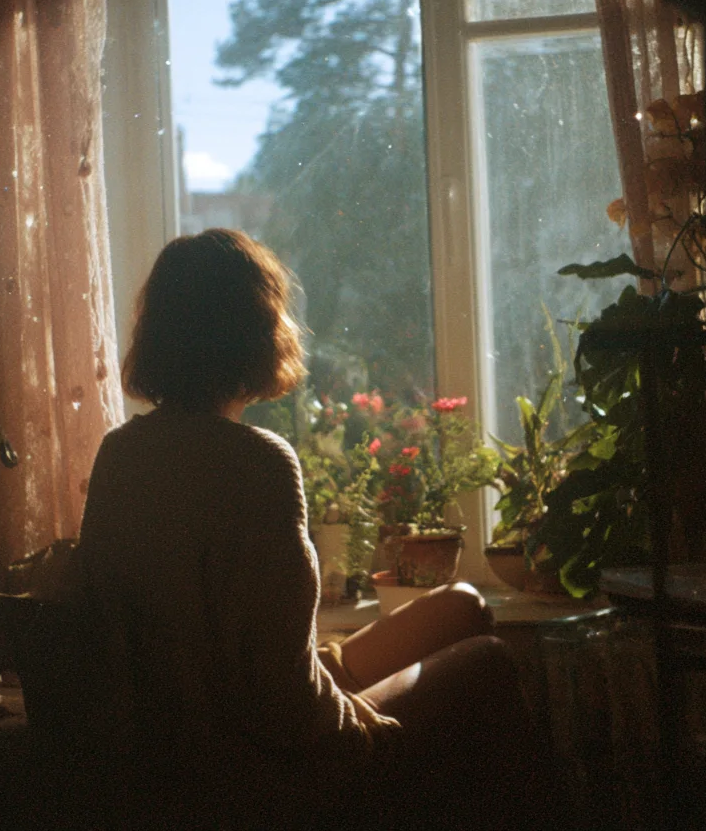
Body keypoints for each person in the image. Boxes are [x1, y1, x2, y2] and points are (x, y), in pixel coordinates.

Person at [79, 230, 550, 828]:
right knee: (487, 662)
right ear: (256, 334)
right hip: (255, 765)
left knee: (459, 603)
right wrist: (355, 721)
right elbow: (282, 704)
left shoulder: (119, 453)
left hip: (185, 739)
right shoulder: (257, 463)